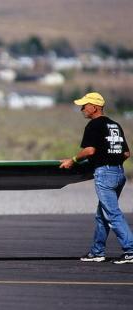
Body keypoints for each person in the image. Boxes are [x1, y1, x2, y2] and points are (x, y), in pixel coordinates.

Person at [60, 92, 133, 264]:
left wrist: (73, 160)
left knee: (112, 214)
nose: (82, 109)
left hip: (105, 175)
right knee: (102, 215)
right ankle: (97, 251)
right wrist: (112, 161)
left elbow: (90, 150)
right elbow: (126, 153)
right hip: (119, 173)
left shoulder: (94, 125)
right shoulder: (114, 125)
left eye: (85, 105)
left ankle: (130, 250)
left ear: (95, 107)